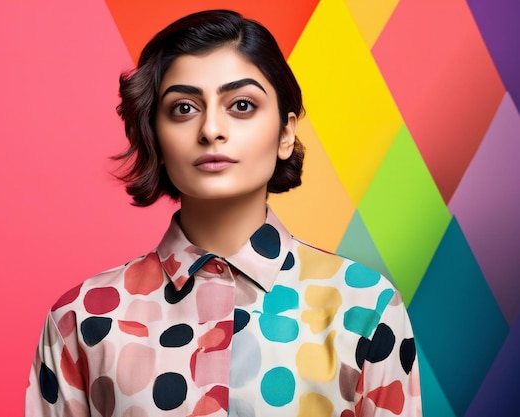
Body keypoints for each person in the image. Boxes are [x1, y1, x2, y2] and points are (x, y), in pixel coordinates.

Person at [25, 9, 421, 417]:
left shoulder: (366, 307)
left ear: (286, 133)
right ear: (155, 137)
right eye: (183, 108)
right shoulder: (81, 317)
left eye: (242, 105)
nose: (211, 129)